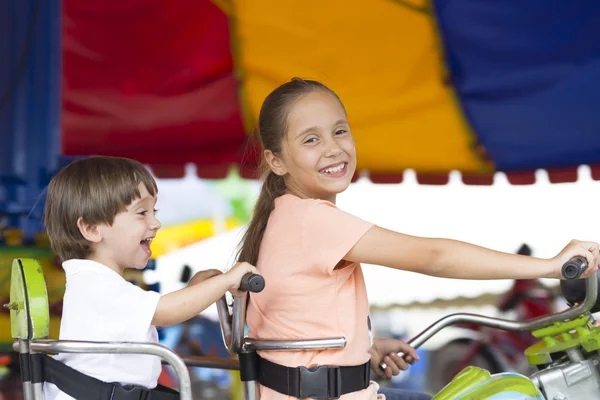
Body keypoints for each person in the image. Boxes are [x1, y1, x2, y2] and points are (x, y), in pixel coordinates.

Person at [237, 78, 600, 400]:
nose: (333, 148)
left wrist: (365, 348)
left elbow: (297, 330)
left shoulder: (285, 215)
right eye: (311, 139)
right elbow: (434, 256)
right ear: (277, 160)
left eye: (340, 131)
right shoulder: (311, 219)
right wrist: (551, 266)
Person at [42, 156, 257, 400]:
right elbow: (165, 311)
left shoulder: (95, 282)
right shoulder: (96, 285)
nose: (156, 222)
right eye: (142, 212)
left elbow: (149, 318)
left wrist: (195, 290)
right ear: (92, 228)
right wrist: (227, 280)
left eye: (153, 211)